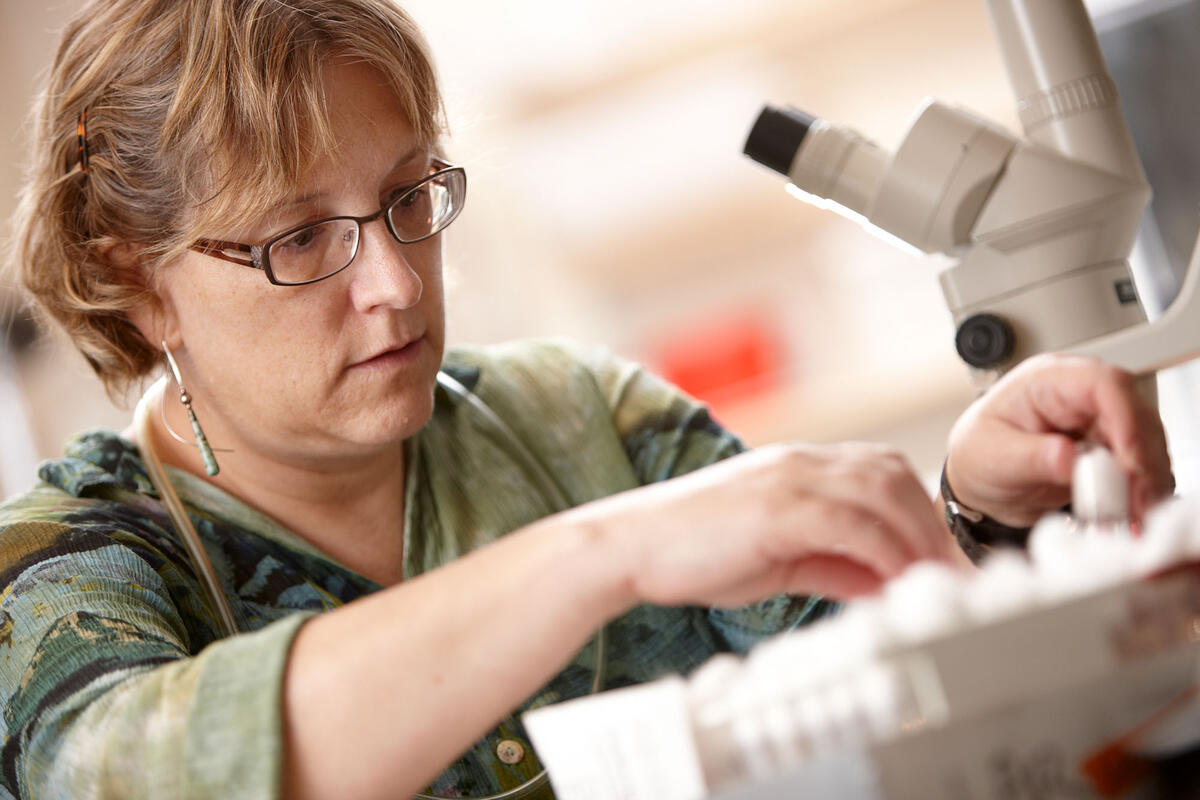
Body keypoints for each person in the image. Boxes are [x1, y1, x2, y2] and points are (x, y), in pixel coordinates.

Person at [0, 1, 1173, 798]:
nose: (397, 281)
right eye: (303, 236)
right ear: (134, 279)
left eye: (412, 196)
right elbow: (129, 768)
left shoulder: (584, 417)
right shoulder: (65, 567)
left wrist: (976, 510)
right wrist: (603, 553)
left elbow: (890, 692)